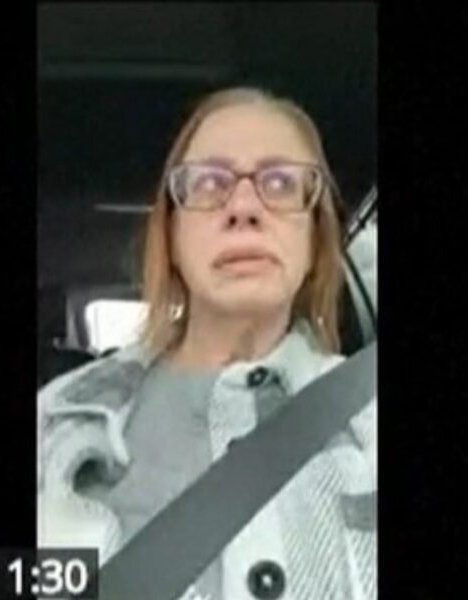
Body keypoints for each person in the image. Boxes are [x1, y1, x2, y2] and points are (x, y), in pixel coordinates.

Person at [37, 87, 377, 600]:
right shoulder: (53, 421)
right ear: (172, 238)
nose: (243, 207)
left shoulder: (368, 418)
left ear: (315, 239)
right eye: (209, 182)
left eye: (281, 182)